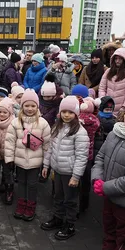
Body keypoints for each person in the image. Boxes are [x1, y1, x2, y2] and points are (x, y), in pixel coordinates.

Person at [91, 101, 125, 250]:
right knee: (109, 234)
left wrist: (106, 187)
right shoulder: (114, 133)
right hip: (109, 198)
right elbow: (100, 157)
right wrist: (97, 178)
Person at [41, 96, 89, 240]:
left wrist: (76, 176)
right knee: (58, 196)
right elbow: (50, 148)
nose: (66, 115)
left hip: (70, 172)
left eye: (70, 112)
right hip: (57, 169)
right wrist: (46, 165)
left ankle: (69, 224)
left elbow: (82, 156)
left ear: (76, 113)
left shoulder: (80, 132)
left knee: (70, 200)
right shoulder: (57, 127)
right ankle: (58, 218)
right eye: (64, 112)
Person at [5, 89, 51, 221]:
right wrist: (9, 159)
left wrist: (46, 164)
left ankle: (30, 205)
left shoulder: (43, 123)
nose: (30, 108)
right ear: (22, 106)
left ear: (37, 106)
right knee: (21, 183)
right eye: (26, 105)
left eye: (33, 105)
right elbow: (9, 142)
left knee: (32, 184)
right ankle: (21, 203)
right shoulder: (16, 122)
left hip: (35, 162)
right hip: (19, 160)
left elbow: (47, 144)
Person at [98, 48, 125, 118]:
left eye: (120, 59)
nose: (117, 61)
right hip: (107, 109)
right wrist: (103, 101)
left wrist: (124, 107)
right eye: (116, 58)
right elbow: (102, 88)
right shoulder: (108, 71)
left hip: (122, 111)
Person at [77, 97, 100, 213]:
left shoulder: (78, 120)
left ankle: (75, 204)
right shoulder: (96, 121)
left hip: (77, 153)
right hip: (88, 154)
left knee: (75, 178)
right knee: (85, 181)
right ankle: (84, 204)